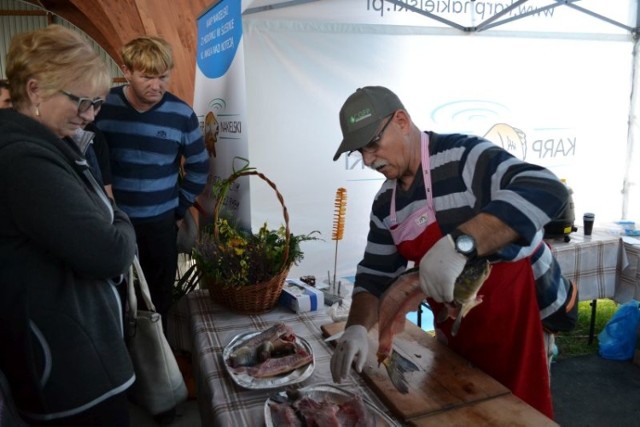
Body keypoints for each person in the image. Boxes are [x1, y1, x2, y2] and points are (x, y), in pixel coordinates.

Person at [329, 86, 577, 419]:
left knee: (519, 414)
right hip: (456, 329)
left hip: (516, 321)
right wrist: (357, 328)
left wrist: (461, 244)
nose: (368, 159)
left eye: (372, 144)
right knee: (466, 410)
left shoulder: (463, 158)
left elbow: (545, 187)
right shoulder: (385, 204)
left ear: (401, 121)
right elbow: (374, 274)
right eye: (360, 151)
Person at [0, 24, 137, 426]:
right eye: (81, 101)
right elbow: (109, 251)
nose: (90, 115)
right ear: (36, 90)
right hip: (66, 364)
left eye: (97, 104)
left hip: (72, 346)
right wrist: (121, 218)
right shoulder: (23, 159)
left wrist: (112, 219)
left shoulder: (45, 142)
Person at [95, 36, 209, 327]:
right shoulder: (101, 108)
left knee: (159, 298)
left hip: (160, 224)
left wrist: (178, 210)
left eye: (163, 76)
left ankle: (161, 355)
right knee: (113, 295)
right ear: (127, 70)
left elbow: (198, 168)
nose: (156, 86)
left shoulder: (181, 115)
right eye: (147, 76)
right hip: (111, 224)